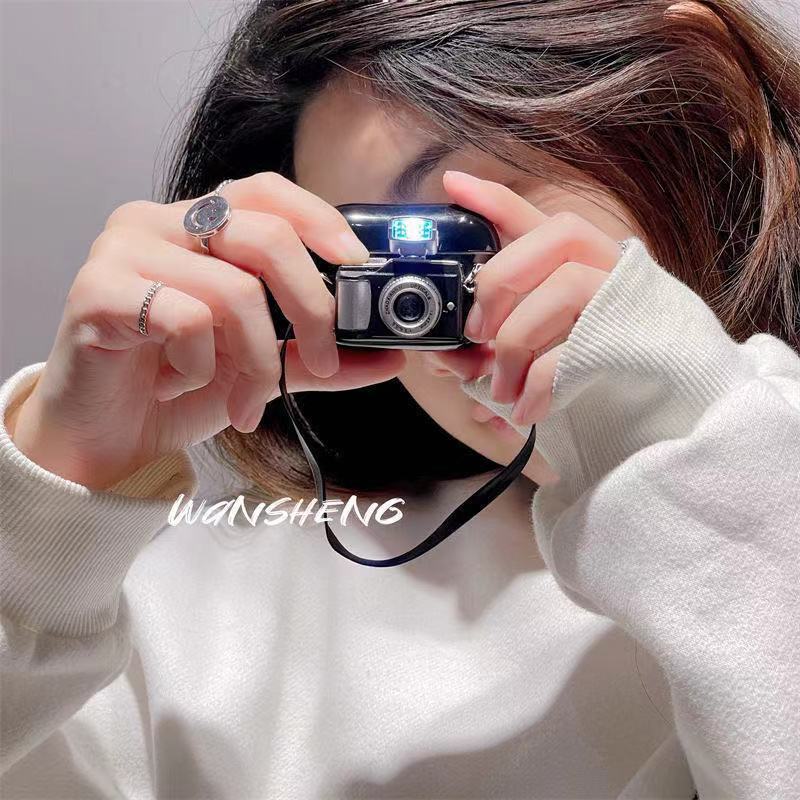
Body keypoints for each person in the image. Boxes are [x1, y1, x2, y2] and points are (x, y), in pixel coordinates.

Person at [1, 0, 799, 797]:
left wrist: (694, 437)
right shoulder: (207, 624)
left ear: (703, 100)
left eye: (464, 229)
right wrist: (50, 512)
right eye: (372, 269)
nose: (439, 311)